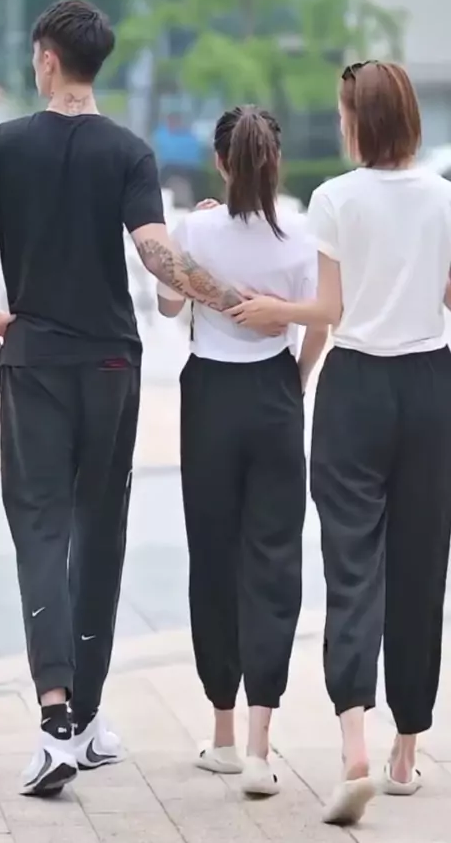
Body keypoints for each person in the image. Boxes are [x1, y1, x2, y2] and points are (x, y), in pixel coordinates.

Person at [0, 0, 261, 797]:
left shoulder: (2, 146)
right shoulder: (128, 152)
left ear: (45, 58)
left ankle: (57, 720)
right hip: (109, 366)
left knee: (40, 532)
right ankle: (87, 721)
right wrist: (235, 299)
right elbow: (157, 254)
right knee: (100, 532)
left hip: (33, 361)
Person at [226, 62, 451, 824]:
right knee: (421, 569)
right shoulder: (445, 198)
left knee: (352, 566)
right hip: (430, 387)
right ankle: (405, 754)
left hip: (354, 390)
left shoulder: (335, 198)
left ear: (361, 121)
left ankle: (354, 743)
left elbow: (328, 307)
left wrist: (273, 313)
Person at [156, 105, 328, 796]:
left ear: (220, 163)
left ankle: (222, 735)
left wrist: (193, 244)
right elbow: (319, 324)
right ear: (275, 162)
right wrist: (296, 382)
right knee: (274, 560)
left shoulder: (195, 229)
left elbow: (169, 307)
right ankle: (260, 746)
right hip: (274, 394)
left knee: (214, 556)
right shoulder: (302, 235)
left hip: (209, 399)